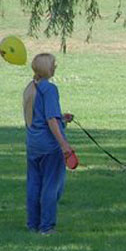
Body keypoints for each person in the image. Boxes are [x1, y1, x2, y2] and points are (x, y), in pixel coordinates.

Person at [23, 53, 74, 234]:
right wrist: (64, 145)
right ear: (47, 68)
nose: (55, 67)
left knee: (34, 184)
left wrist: (62, 119)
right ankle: (47, 227)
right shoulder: (50, 89)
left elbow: (41, 117)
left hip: (33, 145)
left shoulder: (31, 88)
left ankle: (33, 225)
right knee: (52, 186)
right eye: (53, 64)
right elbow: (51, 120)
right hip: (50, 146)